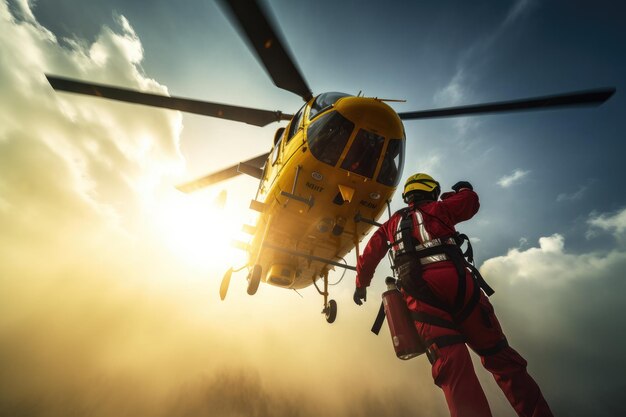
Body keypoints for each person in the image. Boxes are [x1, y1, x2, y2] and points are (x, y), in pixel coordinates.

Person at [353, 173, 553, 417]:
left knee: (453, 370)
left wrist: (361, 284)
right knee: (501, 358)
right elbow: (469, 202)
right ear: (432, 192)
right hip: (462, 287)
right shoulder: (441, 208)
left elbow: (370, 254)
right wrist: (462, 188)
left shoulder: (390, 225)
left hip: (421, 297)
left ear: (408, 196)